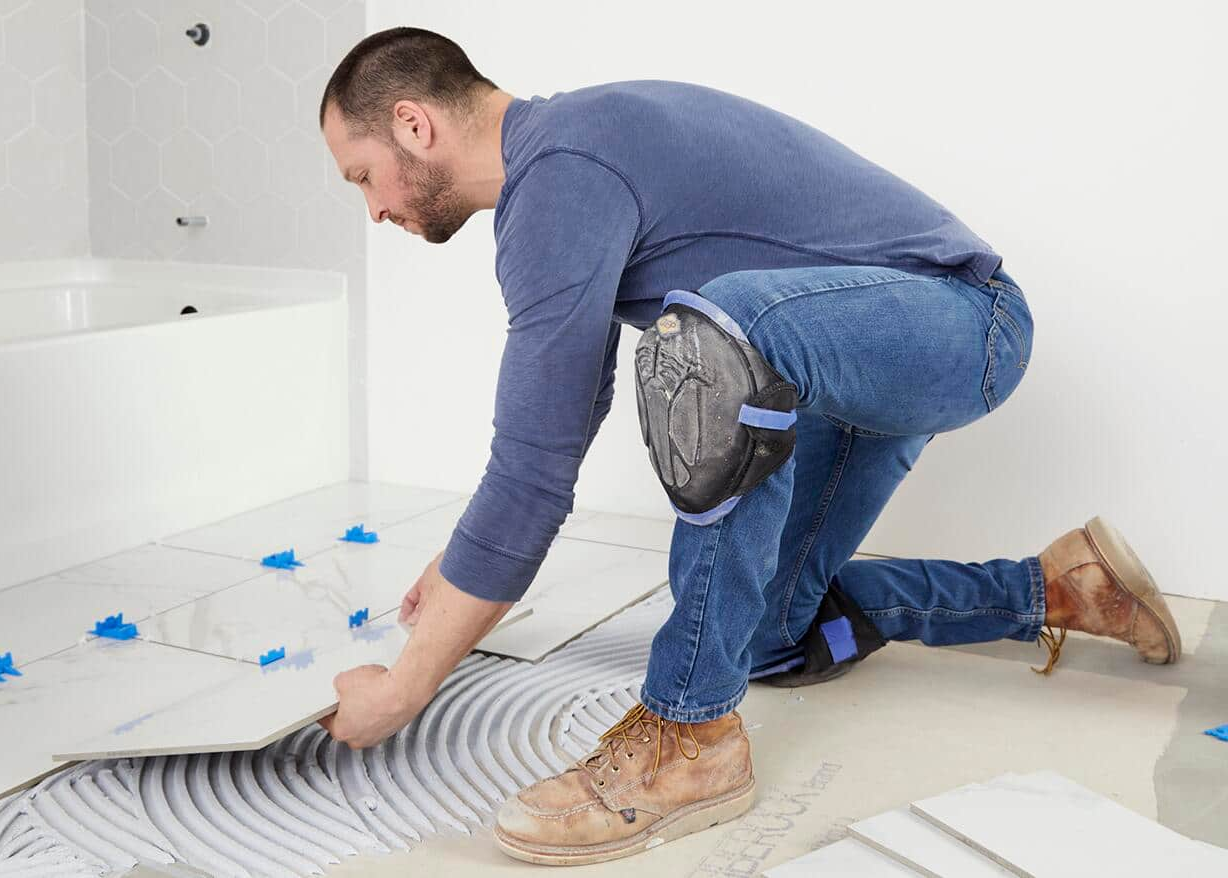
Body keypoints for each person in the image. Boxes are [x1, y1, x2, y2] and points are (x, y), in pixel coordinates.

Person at [314, 26, 1182, 866]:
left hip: (958, 325)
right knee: (767, 637)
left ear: (414, 125)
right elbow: (559, 426)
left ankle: (691, 736)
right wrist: (465, 559)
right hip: (860, 361)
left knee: (721, 343)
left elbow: (536, 470)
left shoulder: (563, 172)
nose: (375, 207)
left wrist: (405, 686)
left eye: (364, 176)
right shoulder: (571, 155)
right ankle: (1058, 588)